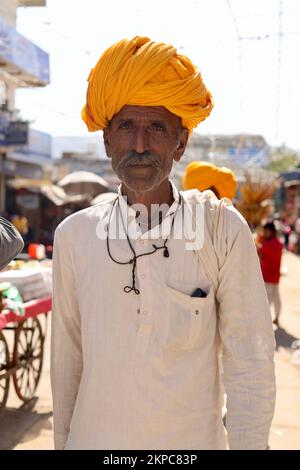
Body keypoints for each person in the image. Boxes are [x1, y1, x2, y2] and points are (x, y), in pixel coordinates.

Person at [51, 36, 275, 450]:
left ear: (181, 141)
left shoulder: (221, 228)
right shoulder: (74, 235)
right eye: (125, 126)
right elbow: (67, 362)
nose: (139, 145)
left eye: (156, 126)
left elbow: (251, 361)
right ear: (106, 140)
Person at [257, 221, 283, 326]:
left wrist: (257, 245)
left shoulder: (268, 244)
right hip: (274, 276)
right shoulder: (277, 243)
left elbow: (261, 254)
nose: (265, 232)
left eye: (266, 230)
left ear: (271, 231)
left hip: (268, 276)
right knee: (276, 298)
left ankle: (265, 320)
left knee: (267, 299)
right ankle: (276, 317)